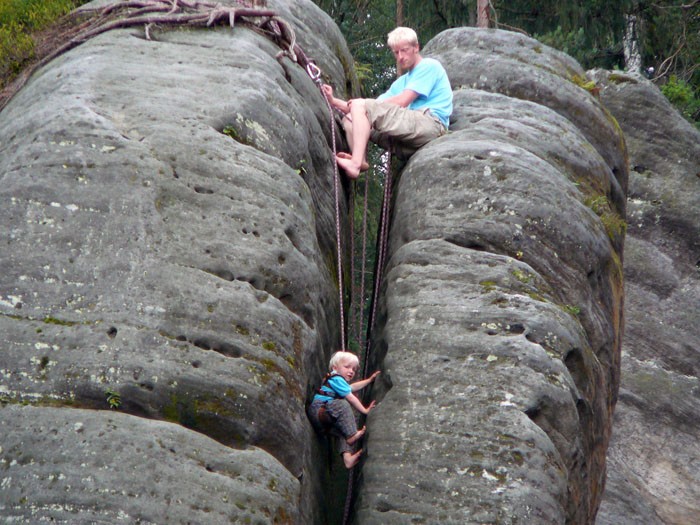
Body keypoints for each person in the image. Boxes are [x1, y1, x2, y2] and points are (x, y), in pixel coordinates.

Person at [321, 26, 453, 179]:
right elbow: (363, 110)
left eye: (404, 50)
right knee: (350, 118)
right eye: (396, 52)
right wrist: (333, 100)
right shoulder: (401, 83)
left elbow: (403, 101)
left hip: (430, 125)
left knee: (361, 107)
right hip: (409, 138)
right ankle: (361, 160)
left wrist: (362, 104)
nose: (400, 57)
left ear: (416, 47)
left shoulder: (428, 66)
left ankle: (355, 163)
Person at [307, 351, 381, 469]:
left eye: (354, 369)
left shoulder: (337, 381)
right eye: (347, 367)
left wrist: (369, 380)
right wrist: (365, 410)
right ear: (335, 368)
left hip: (322, 419)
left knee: (342, 432)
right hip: (319, 410)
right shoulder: (336, 378)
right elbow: (350, 397)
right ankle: (352, 434)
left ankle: (348, 460)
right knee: (343, 404)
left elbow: (352, 387)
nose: (351, 371)